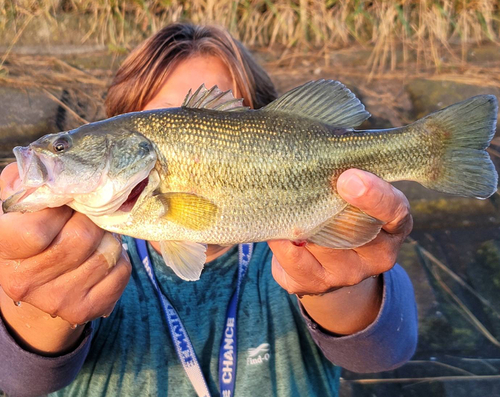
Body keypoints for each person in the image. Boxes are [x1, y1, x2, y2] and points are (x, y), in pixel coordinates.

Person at [0, 23, 418, 397]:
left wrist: (343, 285)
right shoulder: (89, 253)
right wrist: (36, 303)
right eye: (163, 117)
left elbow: (385, 351)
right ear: (121, 128)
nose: (188, 125)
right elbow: (18, 380)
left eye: (223, 114)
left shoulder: (293, 251)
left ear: (267, 121)